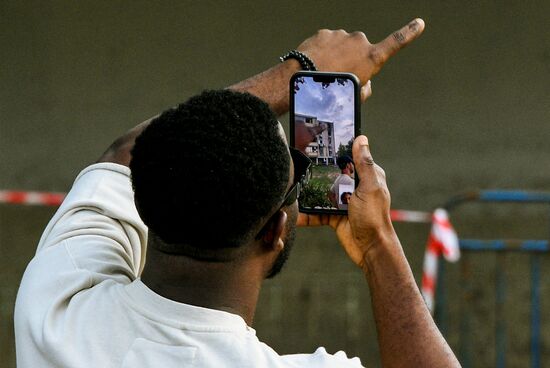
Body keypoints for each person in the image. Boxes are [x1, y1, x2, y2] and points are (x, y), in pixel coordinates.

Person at [15, 19, 461, 367]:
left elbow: (123, 154)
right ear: (276, 230)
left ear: (142, 204)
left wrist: (295, 70)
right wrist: (377, 242)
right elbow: (132, 155)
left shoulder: (56, 308)